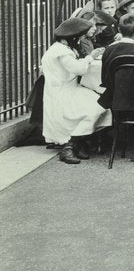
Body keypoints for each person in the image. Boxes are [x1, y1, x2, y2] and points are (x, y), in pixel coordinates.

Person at [40, 17, 111, 164]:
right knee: (95, 109)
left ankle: (79, 142)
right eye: (79, 37)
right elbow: (78, 69)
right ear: (72, 37)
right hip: (62, 93)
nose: (80, 40)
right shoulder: (60, 52)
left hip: (69, 89)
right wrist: (91, 57)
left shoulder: (64, 49)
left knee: (102, 107)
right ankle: (70, 146)